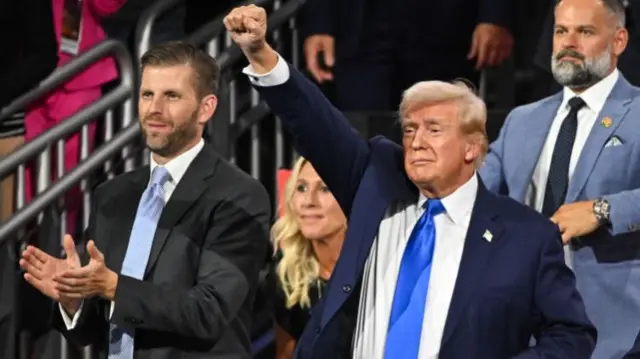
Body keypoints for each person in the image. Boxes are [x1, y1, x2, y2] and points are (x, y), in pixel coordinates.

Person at [224, 5, 596, 359]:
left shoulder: (525, 235)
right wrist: (261, 54)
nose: (416, 141)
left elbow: (571, 334)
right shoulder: (377, 187)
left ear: (472, 148)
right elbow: (316, 123)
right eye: (410, 130)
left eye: (434, 130)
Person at [19, 41, 271, 358]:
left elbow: (209, 311)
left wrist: (113, 287)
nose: (155, 109)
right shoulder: (112, 195)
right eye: (147, 94)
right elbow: (98, 327)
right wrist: (74, 299)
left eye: (172, 96)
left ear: (206, 108)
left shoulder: (239, 195)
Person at [479, 0, 640, 357]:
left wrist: (602, 210)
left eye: (585, 31)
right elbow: (476, 198)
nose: (569, 43)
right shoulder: (522, 120)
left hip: (614, 328)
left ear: (619, 40)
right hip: (523, 324)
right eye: (560, 31)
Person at [300, 0, 515, 111]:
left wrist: (495, 15)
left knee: (440, 138)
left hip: (445, 28)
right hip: (358, 29)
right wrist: (320, 21)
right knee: (359, 146)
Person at [273, 157, 346, 358]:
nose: (309, 201)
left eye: (325, 189)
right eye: (302, 188)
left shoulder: (378, 268)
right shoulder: (287, 275)